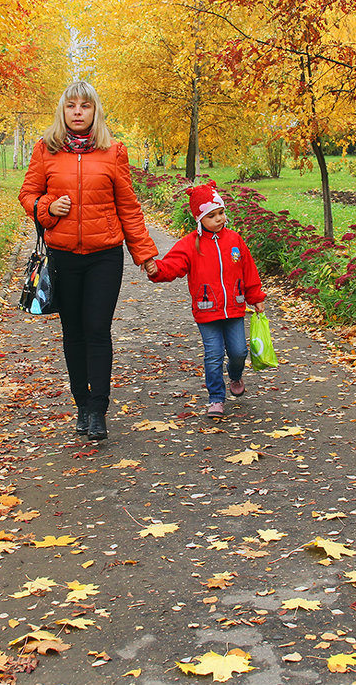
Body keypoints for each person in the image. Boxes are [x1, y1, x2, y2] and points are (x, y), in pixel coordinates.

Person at [19, 80, 158, 442]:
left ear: (95, 111)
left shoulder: (113, 152)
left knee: (97, 329)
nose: (78, 112)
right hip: (63, 257)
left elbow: (128, 207)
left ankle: (98, 409)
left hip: (104, 257)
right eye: (71, 106)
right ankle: (81, 404)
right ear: (62, 111)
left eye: (85, 106)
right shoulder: (45, 150)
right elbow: (28, 194)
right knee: (73, 332)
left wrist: (144, 254)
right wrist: (48, 207)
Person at [147, 181, 267, 418]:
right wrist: (156, 269)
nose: (219, 219)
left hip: (234, 307)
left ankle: (235, 376)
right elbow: (173, 265)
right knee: (213, 354)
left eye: (221, 213)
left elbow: (248, 270)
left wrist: (255, 297)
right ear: (199, 218)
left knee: (239, 351)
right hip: (206, 310)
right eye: (212, 216)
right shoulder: (191, 245)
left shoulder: (235, 240)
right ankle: (215, 399)